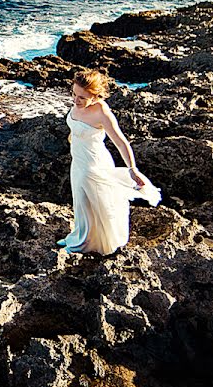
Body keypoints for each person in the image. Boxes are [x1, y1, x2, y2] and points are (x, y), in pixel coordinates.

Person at [58, 69, 161, 255]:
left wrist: (132, 169)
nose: (75, 100)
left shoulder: (102, 113)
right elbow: (76, 126)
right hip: (78, 160)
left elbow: (121, 142)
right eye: (74, 94)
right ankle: (79, 235)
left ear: (94, 95)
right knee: (80, 202)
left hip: (93, 164)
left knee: (92, 202)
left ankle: (85, 244)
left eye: (81, 97)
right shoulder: (77, 105)